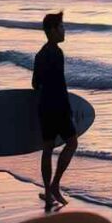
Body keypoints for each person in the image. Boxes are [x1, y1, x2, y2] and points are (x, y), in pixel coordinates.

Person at [32, 11, 77, 211]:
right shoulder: (57, 53)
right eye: (61, 27)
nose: (64, 30)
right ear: (52, 30)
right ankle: (55, 185)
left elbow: (35, 84)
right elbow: (59, 84)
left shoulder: (40, 54)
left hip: (44, 106)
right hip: (58, 106)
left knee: (48, 148)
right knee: (72, 143)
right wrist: (68, 108)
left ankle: (48, 193)